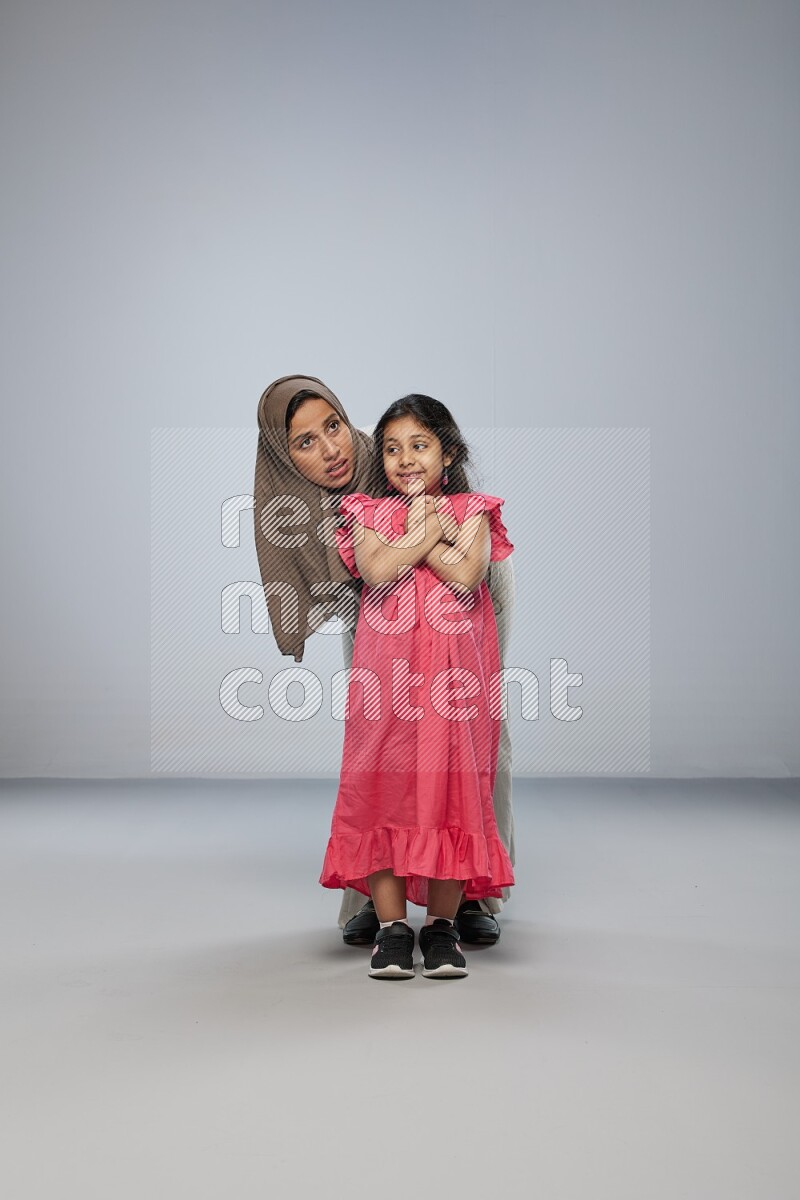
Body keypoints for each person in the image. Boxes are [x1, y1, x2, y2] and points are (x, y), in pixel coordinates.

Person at [254, 377, 515, 946]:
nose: (330, 449)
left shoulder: (391, 455)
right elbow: (373, 567)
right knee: (382, 737)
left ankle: (474, 893)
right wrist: (417, 540)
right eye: (303, 442)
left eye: (334, 427)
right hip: (383, 598)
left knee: (474, 733)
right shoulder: (296, 500)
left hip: (467, 591)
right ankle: (375, 901)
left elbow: (467, 558)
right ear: (281, 454)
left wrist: (429, 535)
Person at [319, 395, 515, 979]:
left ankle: (442, 929)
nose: (405, 459)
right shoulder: (363, 512)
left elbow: (467, 571)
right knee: (382, 788)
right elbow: (377, 571)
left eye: (419, 445)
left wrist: (415, 539)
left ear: (448, 452)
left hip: (456, 689)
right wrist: (431, 532)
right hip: (389, 687)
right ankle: (391, 929)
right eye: (392, 448)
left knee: (453, 791)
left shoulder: (476, 508)